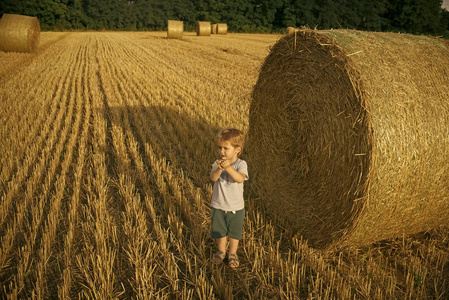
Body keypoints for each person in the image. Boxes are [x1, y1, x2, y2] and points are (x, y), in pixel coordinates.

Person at [210, 128, 249, 268]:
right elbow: (213, 178)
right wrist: (220, 168)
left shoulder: (241, 164)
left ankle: (232, 253)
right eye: (220, 148)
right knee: (220, 231)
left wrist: (229, 168)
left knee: (234, 232)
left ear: (237, 150)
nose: (222, 151)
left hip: (236, 207)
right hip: (218, 205)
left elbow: (240, 179)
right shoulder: (217, 162)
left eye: (226, 148)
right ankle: (221, 251)